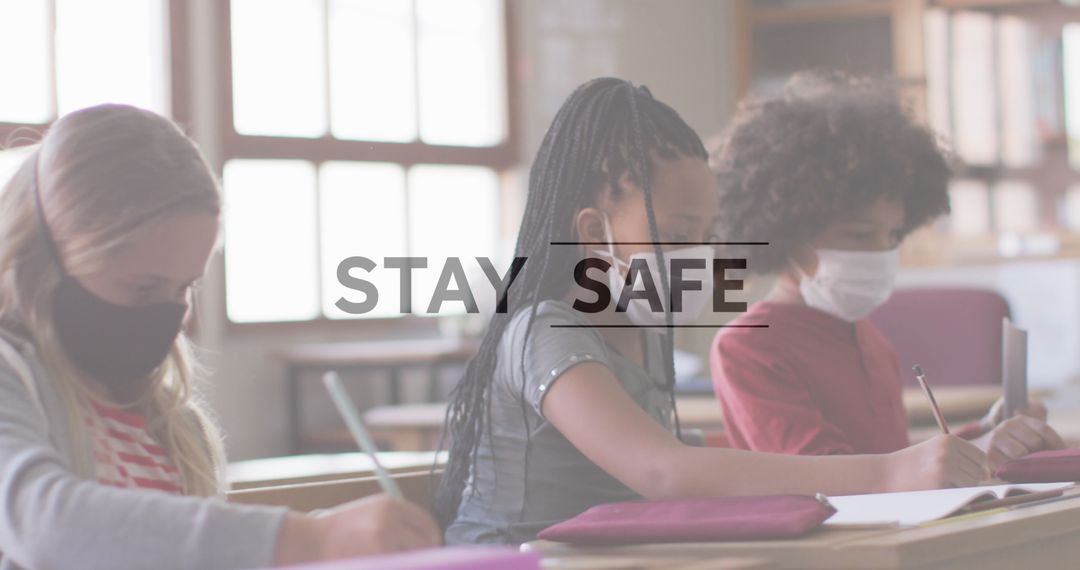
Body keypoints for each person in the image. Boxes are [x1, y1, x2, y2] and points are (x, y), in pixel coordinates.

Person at [437, 77, 989, 546]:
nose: (698, 258)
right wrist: (891, 471)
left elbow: (672, 459)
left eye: (707, 237)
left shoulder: (643, 329)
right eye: (678, 236)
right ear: (592, 234)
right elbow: (662, 470)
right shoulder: (546, 330)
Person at [0, 104, 440, 570]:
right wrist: (308, 538)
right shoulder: (13, 380)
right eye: (142, 288)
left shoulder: (169, 422)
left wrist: (326, 539)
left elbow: (183, 548)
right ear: (43, 262)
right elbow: (46, 525)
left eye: (183, 288)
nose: (167, 316)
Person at [709, 71, 1064, 466]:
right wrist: (978, 454)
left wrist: (984, 432)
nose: (881, 252)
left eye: (893, 235)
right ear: (787, 234)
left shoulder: (864, 333)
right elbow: (826, 475)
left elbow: (889, 460)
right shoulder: (749, 346)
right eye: (859, 235)